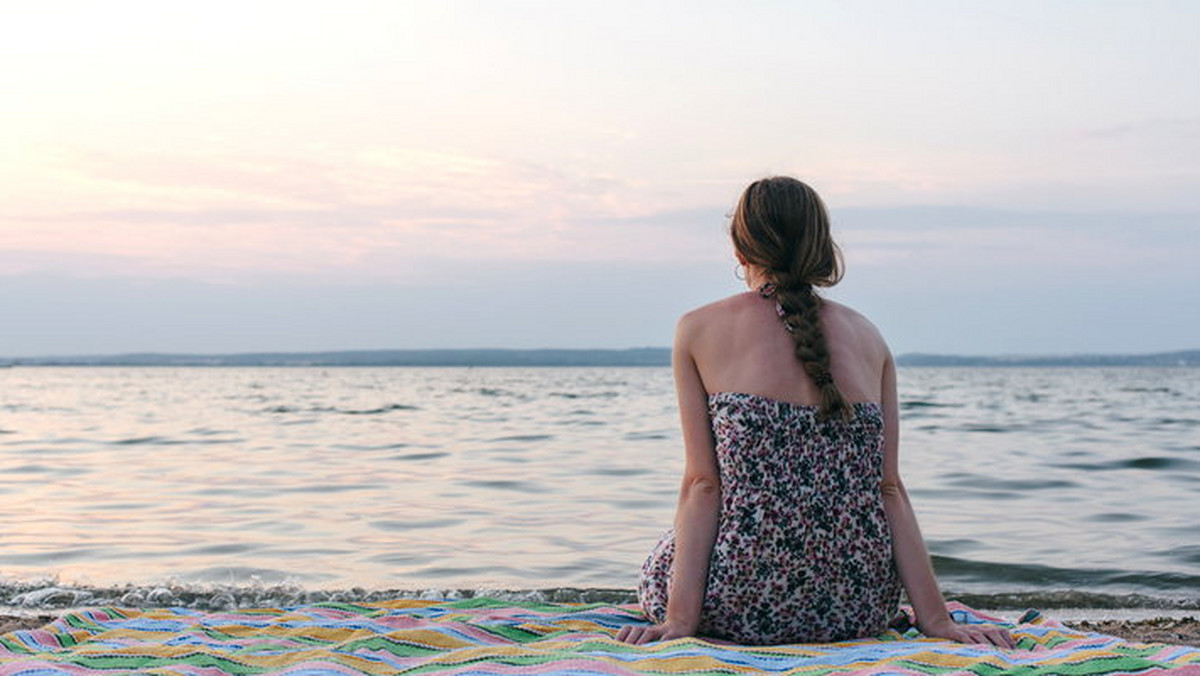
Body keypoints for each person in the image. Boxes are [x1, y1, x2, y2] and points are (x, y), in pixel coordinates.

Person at [616, 177, 1015, 648]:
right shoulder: (870, 337)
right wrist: (937, 621)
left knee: (665, 552)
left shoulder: (698, 329)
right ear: (820, 245)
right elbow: (889, 490)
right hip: (858, 604)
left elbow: (703, 485)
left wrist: (680, 622)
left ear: (740, 248)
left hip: (739, 600)